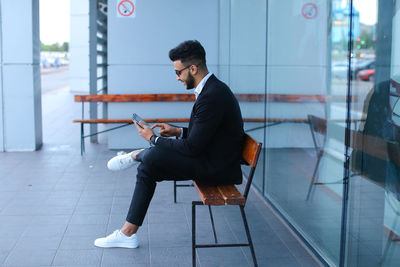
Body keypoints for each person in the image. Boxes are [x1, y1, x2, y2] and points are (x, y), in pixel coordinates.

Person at [94, 40, 244, 248]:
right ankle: (128, 232)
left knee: (153, 158)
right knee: (151, 163)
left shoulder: (212, 96)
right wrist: (178, 131)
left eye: (179, 72)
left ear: (193, 68)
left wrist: (153, 139)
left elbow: (193, 148)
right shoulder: (213, 90)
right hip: (213, 159)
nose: (177, 78)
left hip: (218, 169)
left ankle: (138, 155)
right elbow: (206, 135)